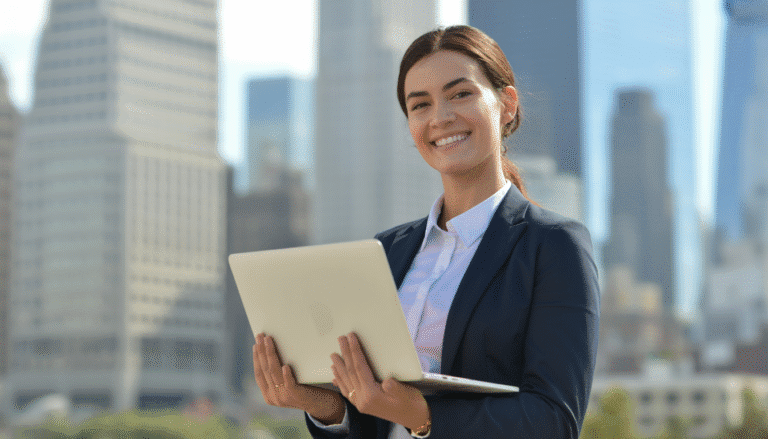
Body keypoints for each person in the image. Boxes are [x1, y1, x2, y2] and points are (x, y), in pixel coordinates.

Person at [252, 25, 600, 438]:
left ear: (507, 104)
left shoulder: (554, 245)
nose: (440, 117)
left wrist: (423, 416)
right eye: (420, 105)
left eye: (460, 94)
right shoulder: (386, 250)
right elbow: (371, 421)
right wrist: (322, 407)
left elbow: (555, 422)